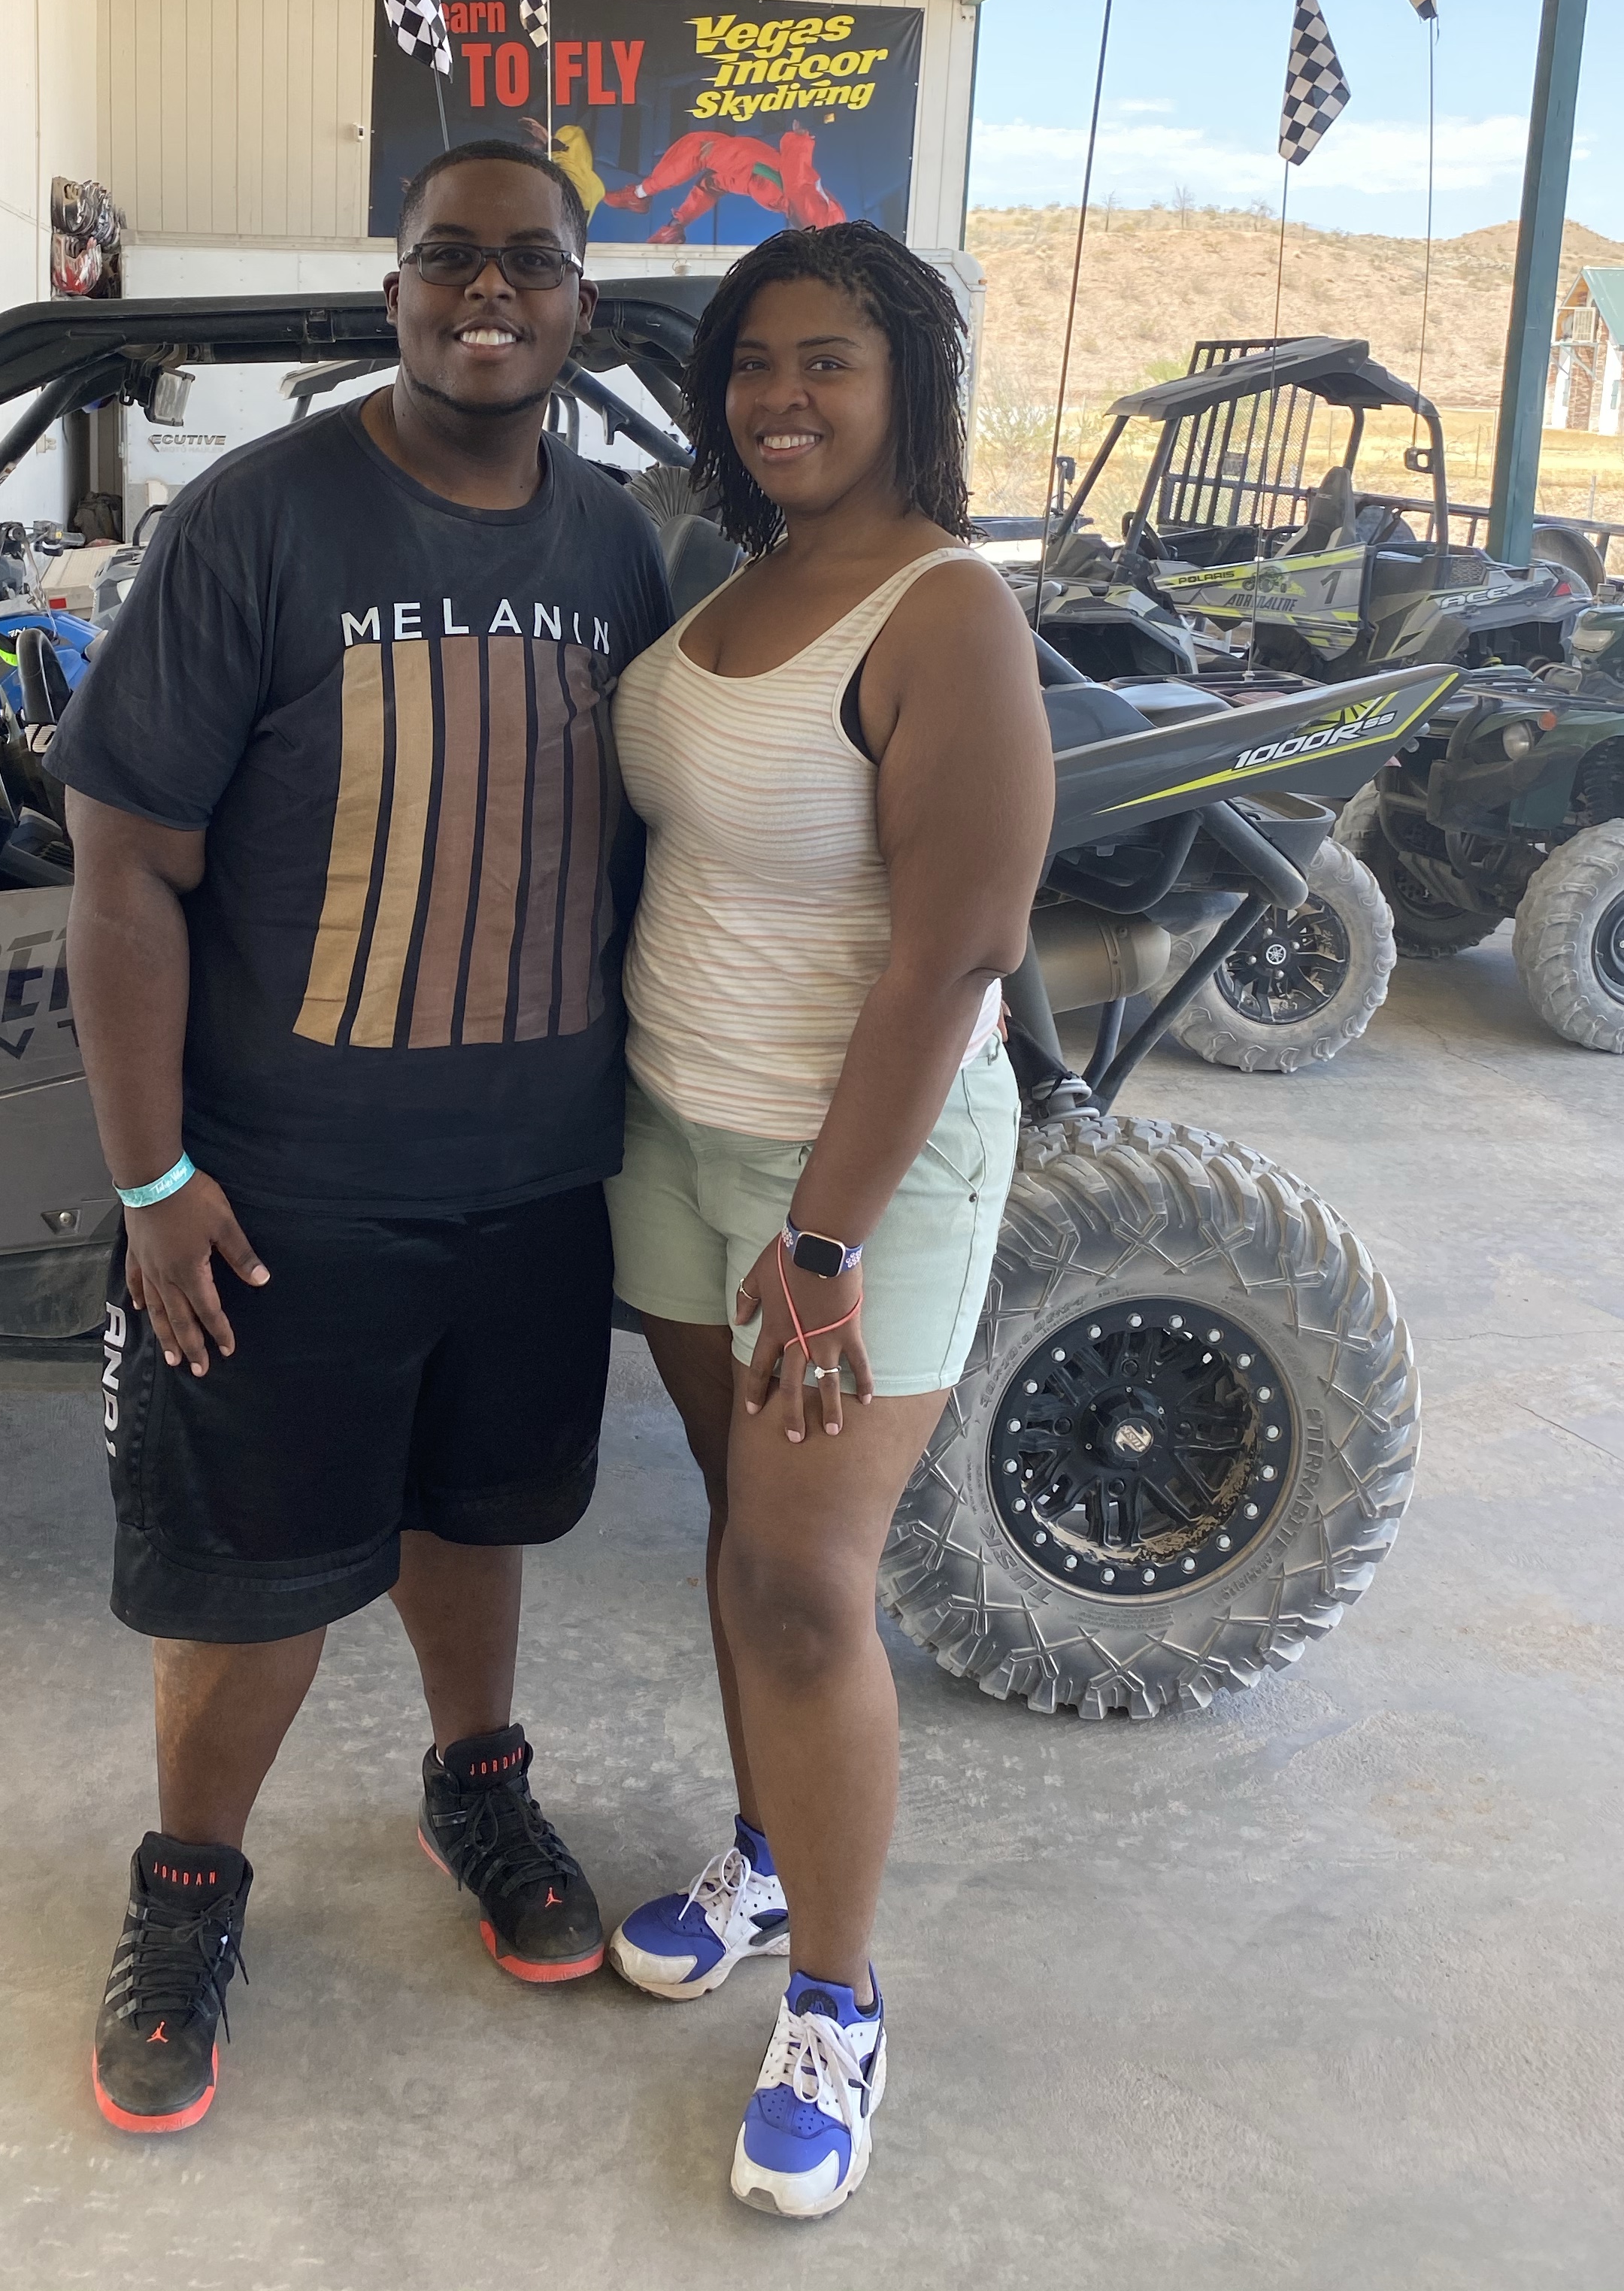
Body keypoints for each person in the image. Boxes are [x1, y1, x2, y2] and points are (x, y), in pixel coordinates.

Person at [53, 139, 673, 2135]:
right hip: (280, 1197)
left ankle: (475, 1787)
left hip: (535, 1181)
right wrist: (152, 1178)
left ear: (580, 305)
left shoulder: (619, 546)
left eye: (531, 262)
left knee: (475, 1516)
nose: (490, 291)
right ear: (393, 289)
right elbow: (124, 874)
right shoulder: (259, 519)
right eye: (449, 258)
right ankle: (187, 1890)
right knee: (249, 1575)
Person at [599, 222, 1052, 2219]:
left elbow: (959, 947)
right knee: (742, 1538)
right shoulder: (743, 573)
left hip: (855, 1180)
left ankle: (840, 2009)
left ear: (908, 387)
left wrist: (830, 1237)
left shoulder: (947, 611)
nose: (783, 396)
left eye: (830, 362)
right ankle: (773, 1860)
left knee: (801, 1582)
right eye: (756, 363)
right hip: (677, 1130)